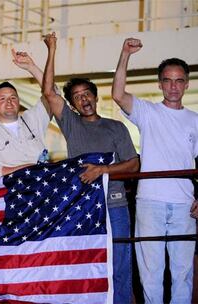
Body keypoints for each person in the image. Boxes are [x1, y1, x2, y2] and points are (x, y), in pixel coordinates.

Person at [39, 32, 139, 303]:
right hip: (83, 206)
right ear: (72, 103)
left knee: (120, 264)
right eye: (77, 96)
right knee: (87, 265)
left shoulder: (115, 127)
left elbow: (134, 164)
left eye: (87, 94)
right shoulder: (71, 124)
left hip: (115, 206)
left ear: (95, 97)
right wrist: (52, 48)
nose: (83, 99)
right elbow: (48, 92)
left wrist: (102, 170)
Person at [112, 37, 198, 303]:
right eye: (168, 80)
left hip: (184, 205)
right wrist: (125, 54)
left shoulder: (196, 120)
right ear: (160, 84)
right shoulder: (147, 112)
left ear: (186, 83)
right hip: (150, 203)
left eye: (179, 80)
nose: (174, 86)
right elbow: (117, 94)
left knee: (183, 272)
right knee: (151, 273)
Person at [0, 63, 52, 179]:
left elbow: (53, 95)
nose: (9, 102)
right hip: (13, 193)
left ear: (19, 102)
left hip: (44, 187)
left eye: (13, 97)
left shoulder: (33, 119)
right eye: (2, 99)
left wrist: (32, 67)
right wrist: (28, 169)